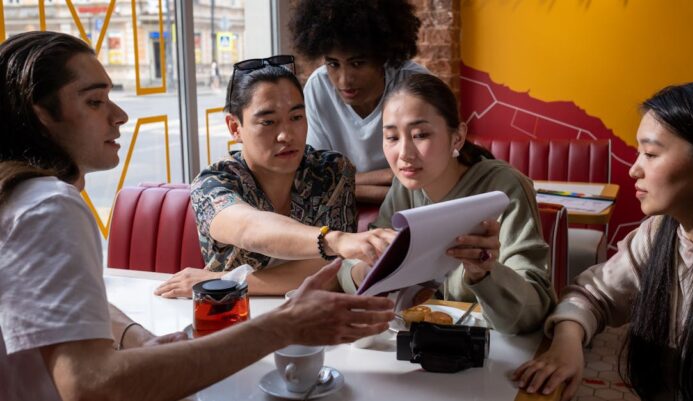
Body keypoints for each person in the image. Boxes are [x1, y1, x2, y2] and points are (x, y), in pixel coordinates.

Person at [0, 31, 394, 401]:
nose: (120, 115)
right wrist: (287, 322)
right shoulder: (48, 206)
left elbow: (70, 307)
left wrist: (139, 339)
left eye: (296, 117)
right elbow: (88, 383)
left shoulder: (20, 198)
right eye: (94, 101)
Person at [512, 82, 693, 401]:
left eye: (650, 154)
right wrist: (566, 342)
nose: (634, 169)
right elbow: (593, 292)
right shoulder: (660, 231)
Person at [155, 56, 396, 298]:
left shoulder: (330, 172)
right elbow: (249, 229)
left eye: (296, 117)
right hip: (236, 319)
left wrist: (225, 281)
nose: (286, 135)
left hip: (316, 319)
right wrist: (336, 241)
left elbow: (333, 270)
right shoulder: (216, 181)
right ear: (234, 127)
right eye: (268, 122)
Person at [339, 74, 556, 334]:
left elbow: (534, 312)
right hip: (423, 347)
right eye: (392, 138)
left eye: (420, 134)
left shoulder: (504, 188)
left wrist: (485, 274)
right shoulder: (406, 186)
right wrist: (369, 268)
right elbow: (350, 270)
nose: (404, 154)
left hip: (493, 351)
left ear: (457, 137)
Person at [289, 0, 430, 203]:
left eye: (357, 63)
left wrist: (342, 185)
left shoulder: (415, 84)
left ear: (383, 57)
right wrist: (389, 179)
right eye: (333, 64)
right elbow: (315, 181)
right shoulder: (318, 87)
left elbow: (434, 172)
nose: (344, 80)